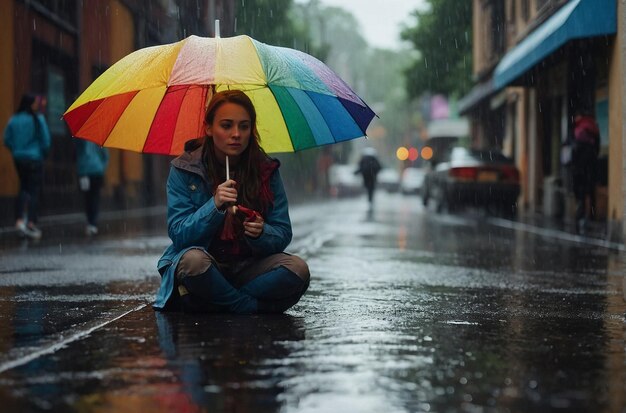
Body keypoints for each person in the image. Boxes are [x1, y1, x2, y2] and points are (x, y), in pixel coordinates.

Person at [153, 90, 310, 314]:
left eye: (244, 126)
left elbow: (283, 232)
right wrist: (214, 206)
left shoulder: (266, 170)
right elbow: (179, 234)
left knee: (297, 269)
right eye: (226, 126)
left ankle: (217, 299)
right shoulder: (184, 169)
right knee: (193, 262)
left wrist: (262, 232)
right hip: (207, 265)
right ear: (208, 128)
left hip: (250, 266)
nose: (236, 134)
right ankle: (244, 305)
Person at [3, 94, 51, 239]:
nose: (37, 105)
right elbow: (46, 141)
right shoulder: (37, 119)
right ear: (30, 104)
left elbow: (6, 140)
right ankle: (30, 221)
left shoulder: (14, 120)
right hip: (35, 159)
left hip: (19, 159)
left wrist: (16, 150)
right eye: (35, 103)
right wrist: (41, 153)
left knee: (23, 187)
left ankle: (19, 220)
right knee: (34, 190)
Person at [572, 111, 600, 234]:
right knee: (591, 193)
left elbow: (574, 157)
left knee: (582, 195)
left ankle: (581, 216)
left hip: (581, 172)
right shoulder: (593, 139)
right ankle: (591, 216)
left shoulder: (579, 138)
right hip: (590, 171)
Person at [75, 139, 109, 236]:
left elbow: (77, 153)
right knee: (95, 197)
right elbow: (105, 155)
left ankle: (90, 221)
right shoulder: (98, 139)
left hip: (84, 172)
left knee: (88, 197)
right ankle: (93, 222)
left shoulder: (79, 139)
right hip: (96, 171)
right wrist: (102, 167)